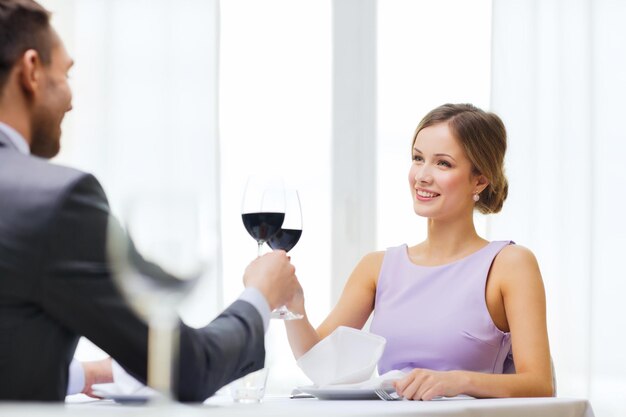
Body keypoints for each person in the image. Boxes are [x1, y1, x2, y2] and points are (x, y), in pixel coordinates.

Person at [0, 0, 299, 401]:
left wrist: (83, 375)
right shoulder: (57, 201)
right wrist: (259, 296)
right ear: (32, 70)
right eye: (66, 73)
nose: (71, 100)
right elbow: (188, 367)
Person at [285, 103, 554, 400]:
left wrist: (457, 381)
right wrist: (294, 306)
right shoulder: (376, 268)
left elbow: (539, 384)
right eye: (418, 158)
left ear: (479, 179)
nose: (422, 176)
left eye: (443, 163)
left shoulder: (509, 265)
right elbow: (320, 364)